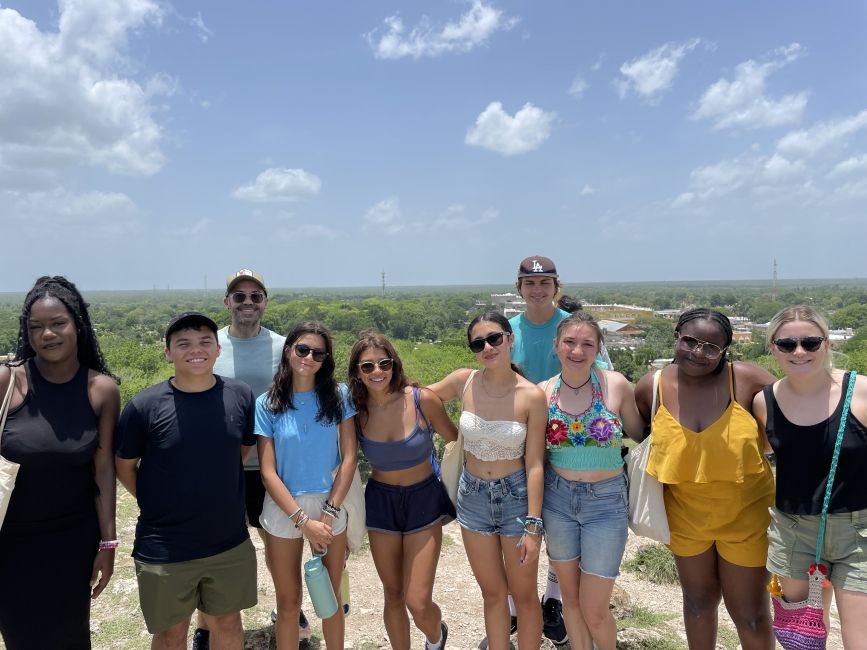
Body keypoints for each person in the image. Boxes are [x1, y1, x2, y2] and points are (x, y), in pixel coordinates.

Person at [634, 308, 776, 650]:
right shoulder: (651, 387)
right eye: (690, 341)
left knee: (751, 613)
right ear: (676, 336)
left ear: (725, 350)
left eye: (711, 347)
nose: (698, 352)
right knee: (697, 604)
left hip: (748, 517)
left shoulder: (745, 380)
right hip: (685, 517)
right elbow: (637, 436)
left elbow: (795, 418)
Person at [116, 312, 258, 650]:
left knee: (228, 621)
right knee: (170, 633)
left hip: (228, 540)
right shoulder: (143, 407)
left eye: (205, 341)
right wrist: (155, 500)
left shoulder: (239, 395)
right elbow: (124, 466)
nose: (196, 350)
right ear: (168, 353)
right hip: (166, 545)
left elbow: (241, 450)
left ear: (218, 349)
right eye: (183, 343)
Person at [0, 276, 120, 649]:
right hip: (10, 543)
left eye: (58, 323)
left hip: (73, 542)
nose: (47, 334)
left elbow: (103, 470)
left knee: (71, 639)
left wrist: (108, 543)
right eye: (36, 327)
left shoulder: (100, 390)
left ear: (77, 326)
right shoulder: (7, 381)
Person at [192, 269, 308, 649]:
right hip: (220, 466)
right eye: (238, 296)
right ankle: (206, 625)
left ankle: (287, 608)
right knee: (211, 549)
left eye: (255, 296)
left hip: (271, 466)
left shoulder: (282, 347)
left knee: (276, 541)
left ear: (265, 302)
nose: (247, 303)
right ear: (226, 302)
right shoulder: (209, 345)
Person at [507, 254, 610, 644]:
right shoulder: (509, 330)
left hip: (566, 439)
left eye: (544, 283)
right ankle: (520, 604)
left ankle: (553, 599)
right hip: (520, 440)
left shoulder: (570, 329)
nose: (537, 290)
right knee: (524, 517)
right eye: (530, 283)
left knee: (560, 520)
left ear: (556, 287)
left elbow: (601, 374)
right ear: (519, 287)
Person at [429, 312, 547, 650]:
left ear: (510, 339)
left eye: (494, 338)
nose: (488, 347)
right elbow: (420, 398)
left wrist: (533, 526)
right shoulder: (464, 382)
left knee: (524, 596)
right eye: (478, 343)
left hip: (517, 498)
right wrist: (449, 434)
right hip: (473, 497)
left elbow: (535, 464)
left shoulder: (531, 396)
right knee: (492, 593)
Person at [753, 306, 867, 648]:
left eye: (810, 342)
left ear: (827, 344)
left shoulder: (860, 392)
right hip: (794, 531)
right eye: (787, 344)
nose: (799, 352)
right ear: (772, 347)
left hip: (857, 532)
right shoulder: (765, 401)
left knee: (858, 639)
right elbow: (759, 455)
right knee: (803, 639)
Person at [539, 312, 644, 650]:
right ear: (556, 345)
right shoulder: (544, 392)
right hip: (558, 501)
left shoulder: (615, 385)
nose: (577, 351)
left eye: (587, 343)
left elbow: (640, 437)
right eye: (569, 342)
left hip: (606, 501)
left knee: (594, 609)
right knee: (569, 601)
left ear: (599, 348)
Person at [348, 330, 457, 650]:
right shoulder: (355, 411)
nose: (377, 372)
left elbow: (457, 441)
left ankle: (436, 639)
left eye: (384, 363)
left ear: (394, 364)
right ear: (357, 371)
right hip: (381, 501)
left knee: (418, 601)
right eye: (367, 367)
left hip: (424, 497)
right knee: (393, 596)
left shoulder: (422, 399)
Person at [256, 322, 357, 650]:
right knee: (288, 603)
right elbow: (268, 472)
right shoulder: (268, 403)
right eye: (302, 349)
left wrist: (327, 515)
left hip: (331, 503)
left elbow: (350, 457)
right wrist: (303, 521)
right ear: (288, 351)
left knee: (331, 599)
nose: (309, 357)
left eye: (318, 353)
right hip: (284, 507)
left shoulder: (338, 395)